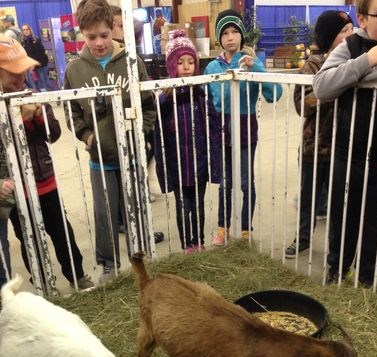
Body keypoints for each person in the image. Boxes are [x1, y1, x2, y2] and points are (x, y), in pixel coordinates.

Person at [64, 0, 161, 283]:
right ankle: (108, 263)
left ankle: (140, 257)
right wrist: (86, 134)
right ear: (82, 33)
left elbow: (148, 104)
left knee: (137, 206)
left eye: (104, 35)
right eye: (91, 36)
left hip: (131, 153)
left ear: (113, 29)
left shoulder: (133, 63)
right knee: (105, 212)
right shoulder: (75, 70)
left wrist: (141, 131)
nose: (99, 42)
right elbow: (71, 112)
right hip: (100, 157)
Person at [313, 0, 377, 291]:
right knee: (341, 221)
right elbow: (322, 86)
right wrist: (369, 60)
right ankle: (336, 273)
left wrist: (355, 78)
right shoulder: (350, 47)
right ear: (363, 18)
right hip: (347, 155)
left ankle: (366, 280)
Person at [0, 35, 93, 291]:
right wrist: (15, 119)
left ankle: (78, 275)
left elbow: (54, 134)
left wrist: (38, 115)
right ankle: (43, 283)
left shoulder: (33, 95)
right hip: (17, 190)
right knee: (29, 240)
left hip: (45, 182)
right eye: (12, 72)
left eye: (22, 70)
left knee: (62, 232)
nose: (20, 77)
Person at [204, 9, 283, 245]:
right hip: (221, 131)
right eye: (225, 33)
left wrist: (256, 70)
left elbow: (275, 94)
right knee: (225, 182)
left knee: (246, 182)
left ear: (242, 35)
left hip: (246, 128)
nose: (230, 37)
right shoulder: (212, 68)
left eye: (235, 31)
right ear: (219, 38)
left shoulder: (252, 62)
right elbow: (206, 100)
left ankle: (247, 229)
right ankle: (222, 227)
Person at [285, 10, 354, 258]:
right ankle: (303, 238)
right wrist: (331, 89)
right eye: (343, 31)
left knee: (338, 202)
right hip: (314, 145)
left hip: (343, 145)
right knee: (308, 197)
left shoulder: (355, 61)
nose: (350, 35)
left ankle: (336, 250)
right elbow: (300, 104)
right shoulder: (313, 64)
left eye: (351, 29)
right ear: (330, 37)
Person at [154, 30, 219, 253]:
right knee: (183, 206)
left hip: (199, 164)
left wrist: (213, 162)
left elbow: (212, 127)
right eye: (180, 62)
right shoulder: (165, 98)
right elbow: (159, 136)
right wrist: (165, 172)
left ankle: (199, 241)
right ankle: (186, 245)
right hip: (178, 166)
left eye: (191, 61)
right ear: (172, 65)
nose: (187, 66)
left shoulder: (201, 94)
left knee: (199, 205)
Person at [20, 24, 52, 91]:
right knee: (33, 86)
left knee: (45, 84)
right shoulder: (23, 42)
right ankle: (39, 100)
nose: (25, 31)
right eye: (24, 30)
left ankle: (55, 98)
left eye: (27, 29)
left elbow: (41, 53)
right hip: (29, 67)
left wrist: (34, 63)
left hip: (40, 65)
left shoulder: (36, 40)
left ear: (30, 30)